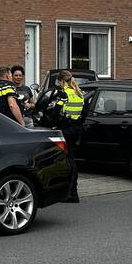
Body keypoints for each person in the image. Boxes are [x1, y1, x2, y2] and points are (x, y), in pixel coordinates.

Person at [56, 70, 85, 203]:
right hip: (76, 129)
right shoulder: (79, 94)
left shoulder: (64, 93)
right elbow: (83, 114)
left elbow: (56, 112)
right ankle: (72, 191)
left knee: (68, 161)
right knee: (72, 161)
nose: (59, 85)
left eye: (59, 82)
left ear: (62, 81)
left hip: (66, 129)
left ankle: (71, 193)